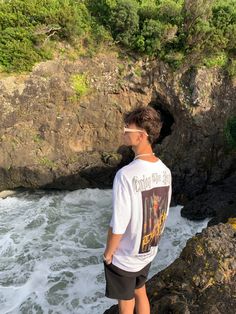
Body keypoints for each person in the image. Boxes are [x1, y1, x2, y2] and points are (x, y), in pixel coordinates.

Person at [103, 106, 172, 314]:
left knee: (125, 303)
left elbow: (119, 223)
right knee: (140, 290)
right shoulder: (164, 170)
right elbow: (163, 212)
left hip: (125, 256)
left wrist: (108, 253)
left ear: (141, 136)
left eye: (128, 129)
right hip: (148, 250)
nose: (124, 132)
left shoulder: (126, 175)